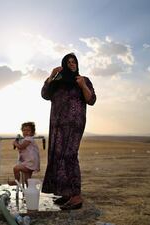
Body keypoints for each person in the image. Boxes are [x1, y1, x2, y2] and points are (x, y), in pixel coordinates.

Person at [41, 53, 96, 210]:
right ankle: (65, 193)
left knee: (69, 156)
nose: (72, 64)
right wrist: (51, 75)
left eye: (74, 62)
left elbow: (91, 100)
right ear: (64, 65)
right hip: (57, 125)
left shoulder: (83, 80)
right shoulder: (57, 81)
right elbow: (45, 94)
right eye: (69, 62)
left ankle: (76, 196)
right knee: (57, 156)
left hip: (74, 124)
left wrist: (83, 85)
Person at [8, 122, 40, 186]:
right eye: (24, 130)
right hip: (29, 161)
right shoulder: (26, 139)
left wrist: (15, 143)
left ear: (32, 132)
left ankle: (16, 181)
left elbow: (21, 147)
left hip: (30, 162)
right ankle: (30, 192)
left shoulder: (29, 138)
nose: (26, 132)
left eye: (28, 130)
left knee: (16, 168)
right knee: (27, 179)